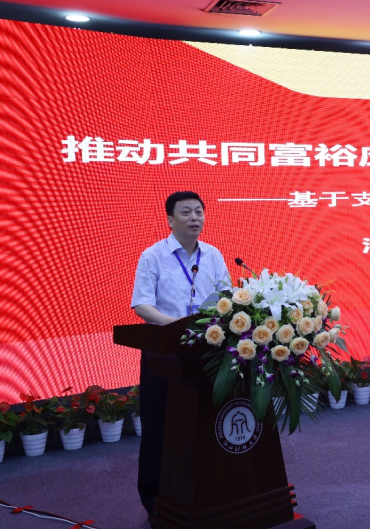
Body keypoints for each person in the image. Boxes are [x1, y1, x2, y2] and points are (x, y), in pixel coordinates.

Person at [130, 191, 230, 518]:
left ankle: (206, 492)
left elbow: (227, 297)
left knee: (205, 424)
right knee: (161, 428)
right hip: (166, 354)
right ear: (170, 220)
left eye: (199, 211)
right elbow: (142, 304)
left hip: (207, 353)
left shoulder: (213, 255)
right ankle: (155, 500)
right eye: (186, 212)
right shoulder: (153, 256)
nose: (194, 218)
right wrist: (177, 327)